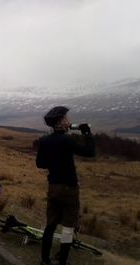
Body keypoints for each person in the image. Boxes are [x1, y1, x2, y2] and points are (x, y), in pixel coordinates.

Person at [34, 106, 94, 265]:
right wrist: (87, 133)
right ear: (60, 122)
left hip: (53, 186)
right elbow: (90, 152)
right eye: (66, 119)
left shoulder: (45, 140)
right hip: (69, 188)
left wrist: (54, 161)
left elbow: (40, 164)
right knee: (68, 226)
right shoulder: (67, 140)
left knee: (51, 224)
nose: (68, 121)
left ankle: (45, 260)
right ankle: (63, 262)